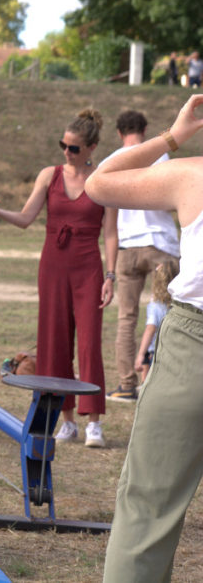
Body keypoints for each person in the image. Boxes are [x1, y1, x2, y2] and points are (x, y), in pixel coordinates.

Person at [84, 94, 203, 582]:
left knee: (147, 512)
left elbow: (99, 182)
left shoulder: (193, 174)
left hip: (192, 347)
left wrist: (173, 137)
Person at [0, 109, 117, 447]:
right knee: (54, 343)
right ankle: (65, 420)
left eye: (74, 148)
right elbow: (25, 218)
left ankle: (93, 422)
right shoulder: (48, 175)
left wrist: (111, 275)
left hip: (88, 267)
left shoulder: (103, 181)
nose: (67, 153)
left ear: (92, 148)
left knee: (90, 344)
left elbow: (110, 233)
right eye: (63, 146)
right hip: (53, 264)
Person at [101, 110, 179, 402]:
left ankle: (125, 384)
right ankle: (162, 381)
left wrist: (109, 267)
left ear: (120, 133)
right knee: (170, 315)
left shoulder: (110, 162)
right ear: (144, 131)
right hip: (161, 246)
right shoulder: (158, 157)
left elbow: (108, 220)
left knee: (127, 318)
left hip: (127, 247)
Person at [134, 260, 178, 382]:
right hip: (175, 351)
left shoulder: (155, 305)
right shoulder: (179, 303)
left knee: (148, 385)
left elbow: (151, 329)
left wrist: (141, 354)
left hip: (155, 353)